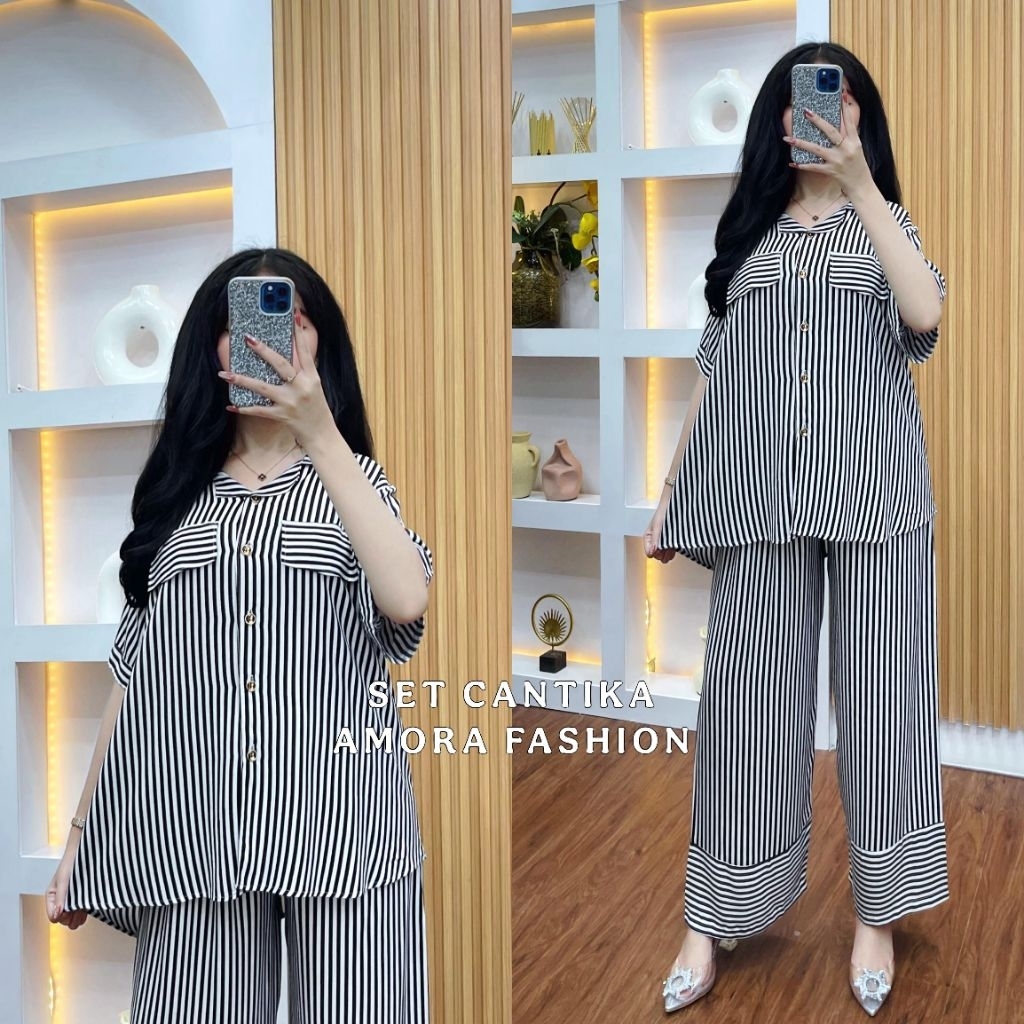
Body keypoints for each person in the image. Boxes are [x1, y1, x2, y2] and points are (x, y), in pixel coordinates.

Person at [44, 248, 435, 1023]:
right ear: (210, 348)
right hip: (192, 830)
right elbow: (133, 682)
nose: (264, 336)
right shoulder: (176, 500)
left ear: (322, 346)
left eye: (292, 316)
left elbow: (404, 599)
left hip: (348, 826)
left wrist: (320, 435)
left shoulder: (355, 483)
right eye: (239, 322)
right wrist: (81, 837)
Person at [644, 42, 948, 1018]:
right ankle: (712, 915)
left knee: (883, 707)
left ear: (859, 119)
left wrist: (860, 183)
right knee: (744, 710)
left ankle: (877, 913)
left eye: (837, 99)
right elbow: (715, 373)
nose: (815, 114)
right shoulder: (748, 239)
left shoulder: (883, 221)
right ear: (775, 121)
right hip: (756, 499)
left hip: (875, 499)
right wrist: (671, 489)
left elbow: (924, 315)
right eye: (799, 101)